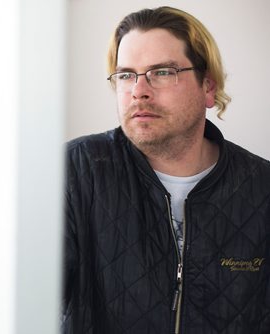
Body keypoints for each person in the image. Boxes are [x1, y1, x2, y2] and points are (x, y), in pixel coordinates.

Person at [62, 6, 270, 334]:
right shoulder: (77, 171)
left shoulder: (262, 190)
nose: (138, 90)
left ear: (208, 87)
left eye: (162, 72)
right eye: (126, 75)